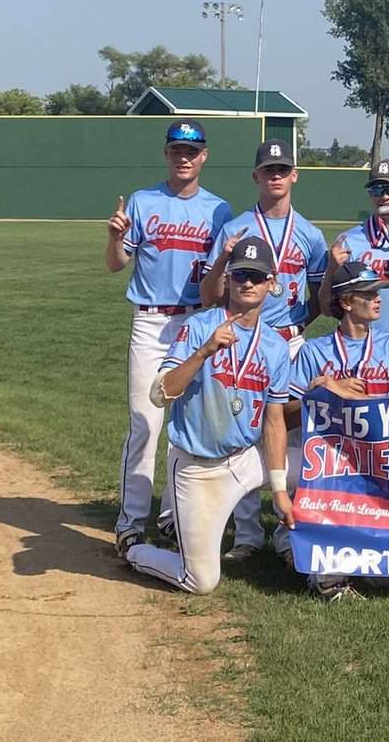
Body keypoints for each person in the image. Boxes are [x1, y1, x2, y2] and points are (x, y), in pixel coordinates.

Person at [121, 236, 293, 595]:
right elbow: (159, 394)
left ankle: (303, 551)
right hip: (197, 468)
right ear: (228, 279)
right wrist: (203, 352)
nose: (248, 283)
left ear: (271, 283)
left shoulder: (275, 346)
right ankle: (138, 551)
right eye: (241, 274)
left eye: (257, 276)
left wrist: (278, 490)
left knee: (319, 468)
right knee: (200, 581)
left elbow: (274, 421)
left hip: (245, 461)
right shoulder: (199, 327)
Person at [107, 119, 233, 554]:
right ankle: (130, 520)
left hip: (196, 323)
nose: (184, 158)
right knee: (146, 423)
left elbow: (222, 277)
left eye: (192, 151)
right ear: (167, 154)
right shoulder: (143, 202)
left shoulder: (219, 210)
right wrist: (115, 239)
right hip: (150, 322)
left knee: (188, 426)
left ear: (204, 157)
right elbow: (115, 264)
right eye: (177, 150)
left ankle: (174, 516)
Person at [200, 139, 329, 562]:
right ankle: (248, 534)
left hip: (289, 340)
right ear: (256, 176)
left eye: (283, 168)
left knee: (292, 433)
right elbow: (211, 295)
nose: (275, 175)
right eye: (267, 169)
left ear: (294, 175)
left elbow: (322, 302)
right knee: (241, 431)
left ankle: (292, 528)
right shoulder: (235, 228)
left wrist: (293, 329)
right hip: (242, 338)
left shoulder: (309, 234)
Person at [281, 261, 389, 601]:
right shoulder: (314, 351)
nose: (378, 300)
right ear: (345, 302)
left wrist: (347, 394)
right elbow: (286, 418)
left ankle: (335, 547)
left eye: (378, 293)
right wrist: (322, 390)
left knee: (386, 581)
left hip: (378, 460)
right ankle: (312, 562)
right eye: (368, 293)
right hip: (327, 464)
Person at [322, 159, 389, 363]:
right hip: (357, 351)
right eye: (377, 189)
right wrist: (331, 270)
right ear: (370, 195)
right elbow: (327, 308)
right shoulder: (348, 242)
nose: (384, 196)